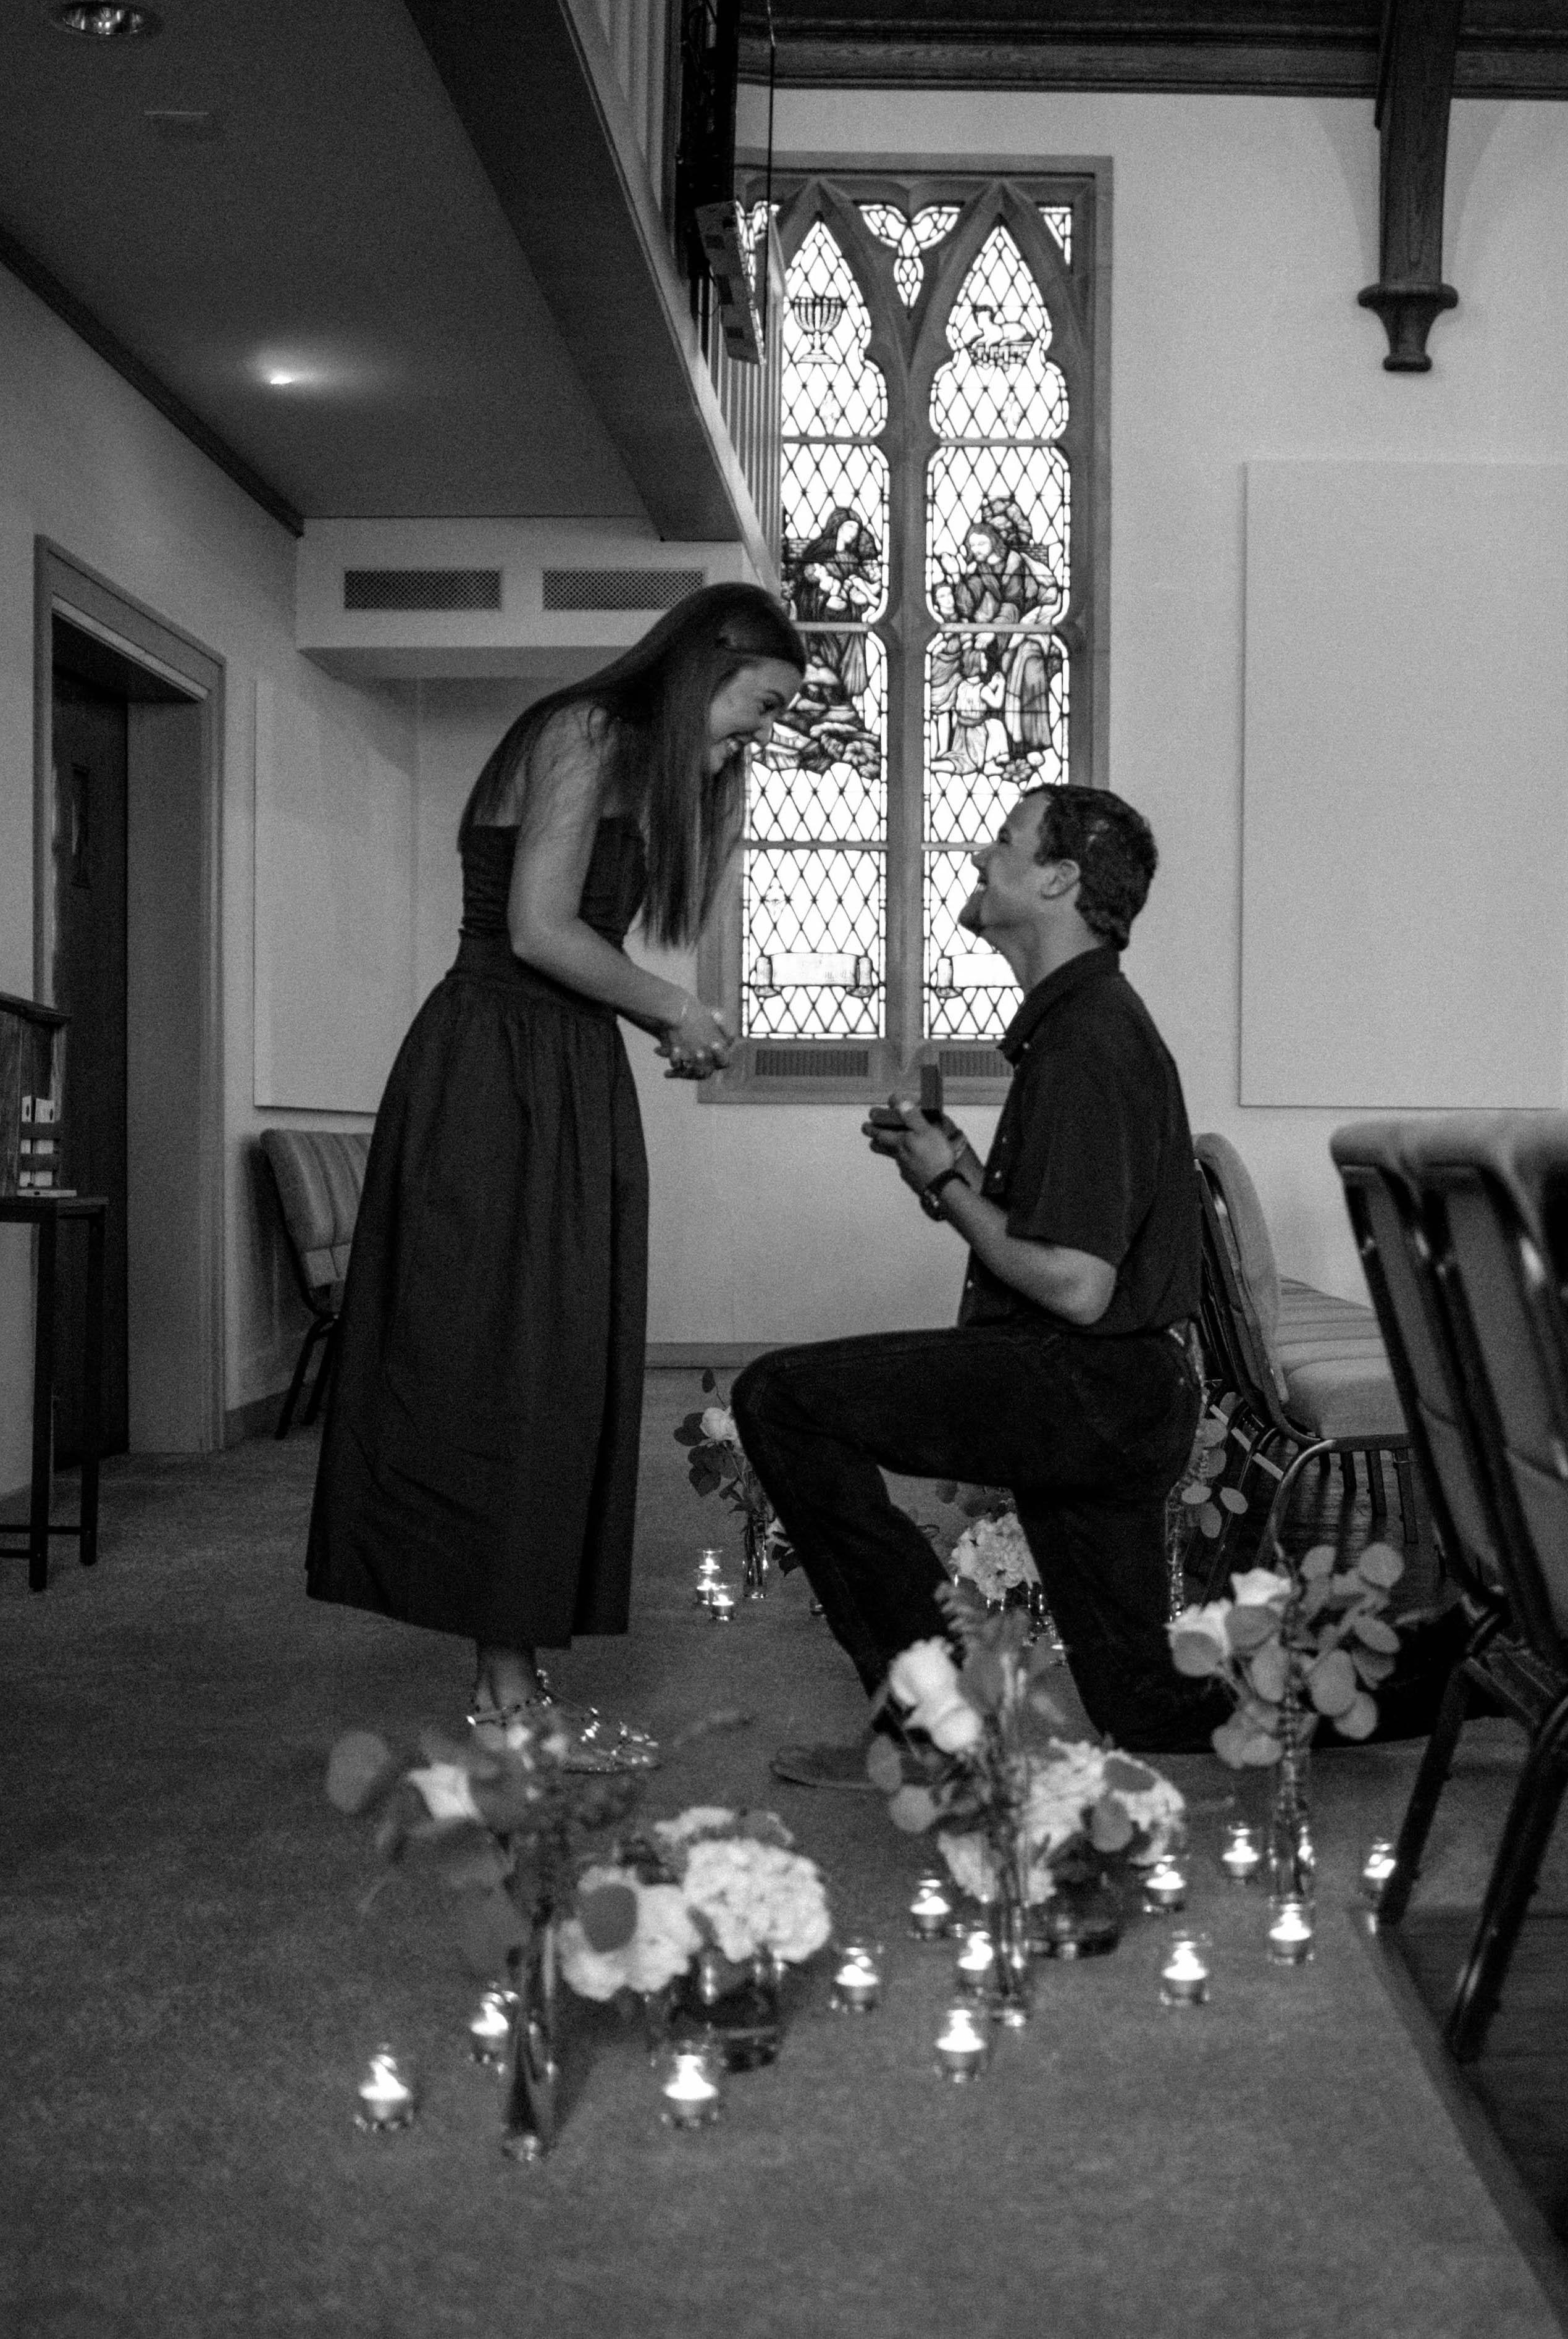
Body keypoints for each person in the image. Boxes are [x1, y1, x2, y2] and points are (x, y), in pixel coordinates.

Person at [305, 584, 808, 1759]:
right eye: (760, 704)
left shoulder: (634, 759)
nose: (761, 732)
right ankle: (507, 1701)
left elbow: (579, 949)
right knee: (510, 1367)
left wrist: (653, 1018)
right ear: (706, 664)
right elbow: (536, 928)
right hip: (495, 1073)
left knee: (559, 1371)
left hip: (561, 1069)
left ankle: (512, 1687)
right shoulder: (580, 732)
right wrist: (672, 1004)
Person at [733, 783, 1226, 1778]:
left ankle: (933, 1719)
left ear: (1059, 879)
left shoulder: (1089, 1039)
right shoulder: (1083, 1024)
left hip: (1086, 1383)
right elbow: (1063, 1242)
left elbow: (1077, 1285)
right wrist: (952, 1164)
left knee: (780, 1400)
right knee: (1149, 1704)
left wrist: (945, 1183)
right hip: (1122, 1392)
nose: (977, 854)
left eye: (1005, 839)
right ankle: (1463, 1667)